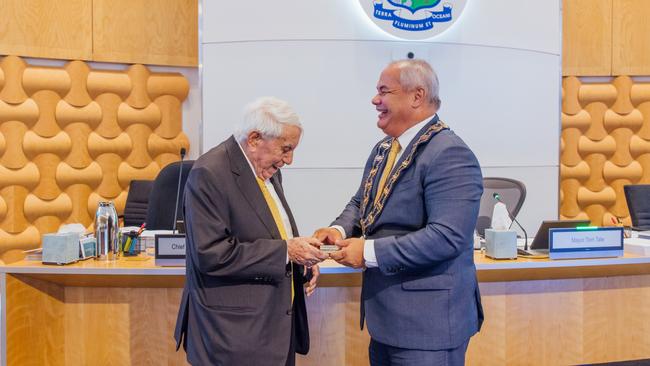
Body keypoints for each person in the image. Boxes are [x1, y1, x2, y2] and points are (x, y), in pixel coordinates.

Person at [314, 59, 484, 366]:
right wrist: (338, 230)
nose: (374, 100)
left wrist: (367, 252)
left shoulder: (450, 153)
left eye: (384, 91)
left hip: (428, 328)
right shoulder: (384, 149)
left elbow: (446, 238)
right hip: (387, 323)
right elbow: (361, 202)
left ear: (416, 96)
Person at [175, 96, 329, 366]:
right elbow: (210, 254)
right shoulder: (210, 172)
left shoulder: (267, 169)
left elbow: (271, 233)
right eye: (286, 149)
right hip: (232, 338)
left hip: (272, 334)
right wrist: (287, 251)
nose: (290, 160)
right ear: (255, 138)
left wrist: (300, 262)